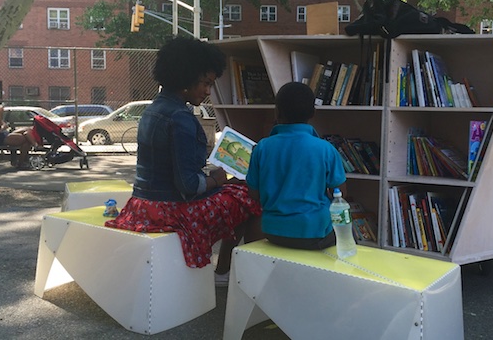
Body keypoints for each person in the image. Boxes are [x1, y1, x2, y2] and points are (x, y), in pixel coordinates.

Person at [104, 36, 262, 286]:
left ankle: (223, 271)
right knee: (249, 196)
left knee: (237, 193)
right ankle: (228, 273)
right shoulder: (181, 118)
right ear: (185, 78)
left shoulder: (152, 111)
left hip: (142, 206)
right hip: (170, 211)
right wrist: (215, 179)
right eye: (205, 83)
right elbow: (188, 186)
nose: (208, 91)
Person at [245, 81, 347, 250]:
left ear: (277, 112)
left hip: (273, 232)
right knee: (345, 232)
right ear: (313, 113)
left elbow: (253, 194)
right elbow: (340, 194)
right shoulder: (326, 149)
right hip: (315, 232)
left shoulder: (261, 148)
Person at [0, 96, 37, 169]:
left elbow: (4, 125)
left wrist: (0, 128)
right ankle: (29, 154)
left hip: (3, 134)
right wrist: (0, 115)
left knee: (27, 130)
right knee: (24, 139)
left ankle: (23, 160)